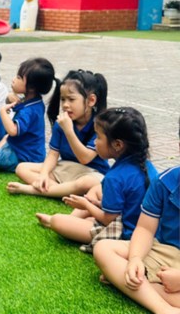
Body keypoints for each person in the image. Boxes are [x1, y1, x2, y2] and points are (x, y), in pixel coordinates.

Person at [37, 107, 158, 252]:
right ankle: (75, 221)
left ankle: (63, 221)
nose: (95, 142)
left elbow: (108, 219)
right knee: (94, 191)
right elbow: (129, 203)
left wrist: (86, 205)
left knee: (58, 221)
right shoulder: (146, 165)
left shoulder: (115, 177)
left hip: (126, 233)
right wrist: (96, 204)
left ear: (118, 145)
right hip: (147, 229)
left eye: (98, 137)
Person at [93, 163, 180, 314]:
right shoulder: (165, 182)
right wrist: (135, 258)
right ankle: (166, 311)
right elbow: (145, 229)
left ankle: (123, 281)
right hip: (166, 251)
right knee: (103, 248)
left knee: (124, 274)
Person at [7, 69, 109, 198]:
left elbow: (85, 158)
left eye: (71, 99)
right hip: (67, 168)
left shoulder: (100, 125)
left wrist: (69, 131)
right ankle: (61, 191)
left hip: (93, 173)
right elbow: (53, 154)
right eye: (63, 99)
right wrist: (44, 174)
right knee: (22, 168)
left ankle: (35, 190)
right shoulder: (61, 123)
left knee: (86, 183)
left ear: (91, 100)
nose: (65, 105)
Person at [0, 57, 59, 172]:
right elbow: (15, 107)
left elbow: (13, 131)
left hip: (24, 156)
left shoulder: (30, 110)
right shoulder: (34, 102)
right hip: (18, 147)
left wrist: (2, 111)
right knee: (5, 138)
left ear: (31, 87)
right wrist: (10, 98)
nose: (13, 80)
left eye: (19, 77)